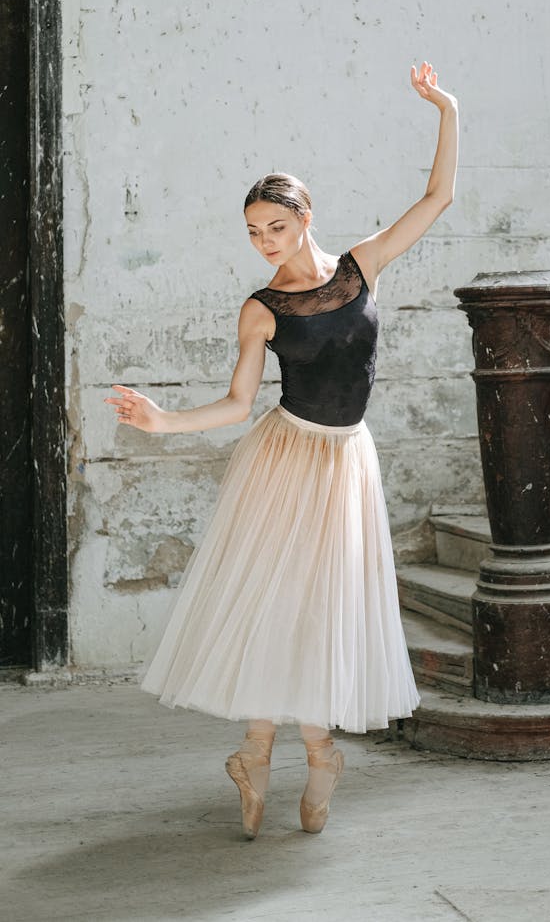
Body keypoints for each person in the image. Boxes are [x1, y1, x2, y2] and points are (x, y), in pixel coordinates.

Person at [105, 61, 459, 839]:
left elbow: (437, 198)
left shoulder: (363, 265)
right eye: (254, 232)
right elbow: (238, 402)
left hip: (346, 460)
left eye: (276, 226)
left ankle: (320, 751)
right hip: (285, 457)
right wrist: (161, 422)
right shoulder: (262, 309)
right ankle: (257, 750)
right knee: (275, 598)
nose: (265, 243)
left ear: (305, 217)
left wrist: (446, 108)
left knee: (326, 603)